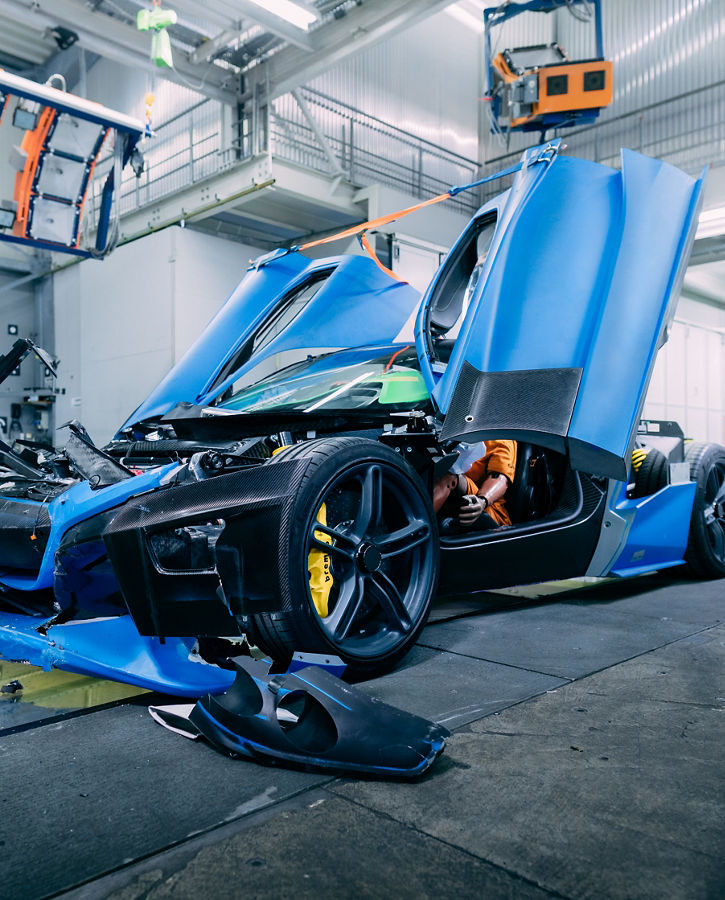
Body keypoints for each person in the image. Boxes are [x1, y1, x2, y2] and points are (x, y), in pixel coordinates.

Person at [433, 439, 517, 532]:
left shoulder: (500, 438)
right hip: (454, 499)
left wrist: (483, 500)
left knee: (448, 477)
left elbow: (498, 478)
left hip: (485, 505)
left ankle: (419, 526)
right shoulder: (459, 431)